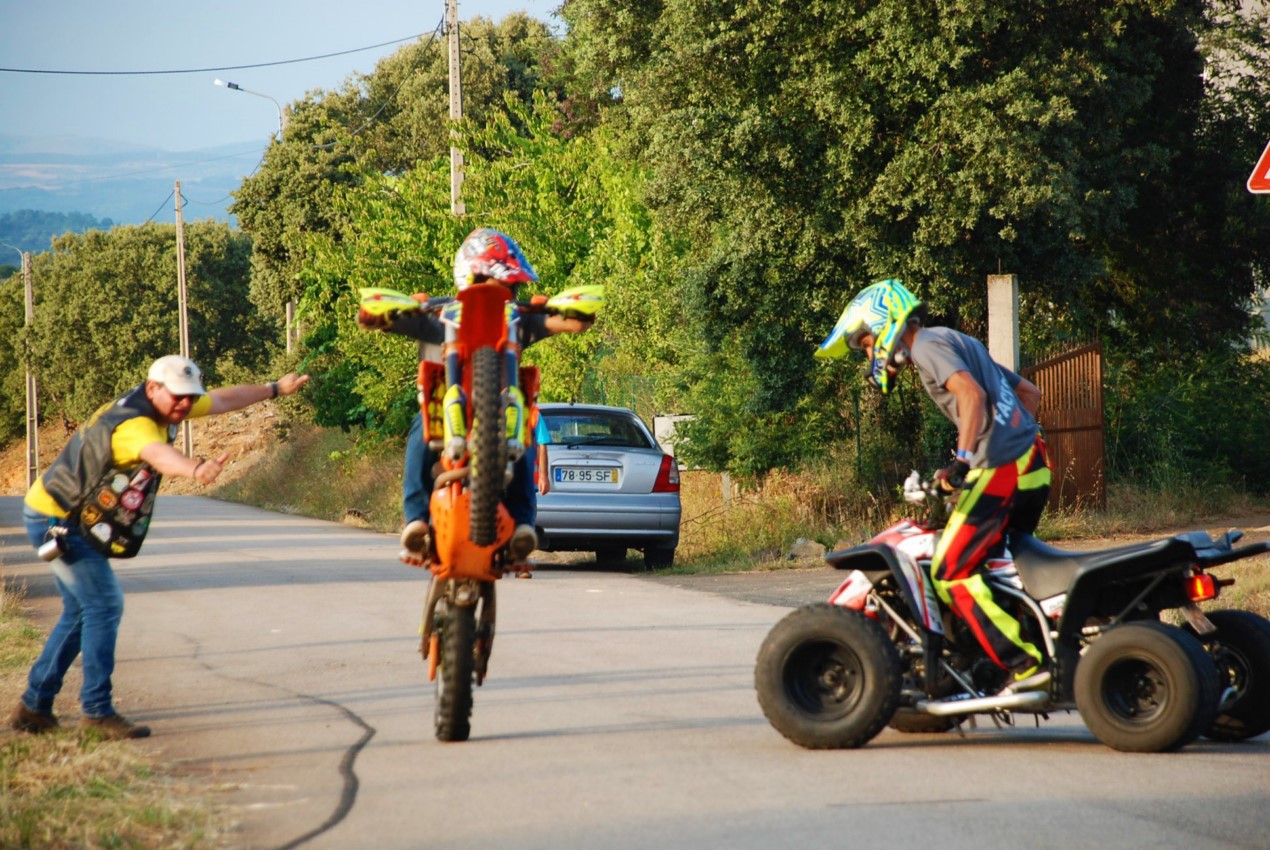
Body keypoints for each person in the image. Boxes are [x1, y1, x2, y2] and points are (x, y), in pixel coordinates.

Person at [9, 355, 310, 739]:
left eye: (189, 397)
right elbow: (157, 454)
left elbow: (220, 400)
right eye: (178, 398)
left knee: (83, 610)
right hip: (60, 519)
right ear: (153, 389)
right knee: (103, 605)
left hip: (62, 511)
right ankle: (96, 714)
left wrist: (273, 389)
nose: (185, 405)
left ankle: (34, 706)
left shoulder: (160, 401)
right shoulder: (135, 425)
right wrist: (196, 469)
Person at [817, 279, 1053, 695]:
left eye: (867, 344)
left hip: (1002, 468)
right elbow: (1027, 394)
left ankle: (1024, 663)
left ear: (887, 324)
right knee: (999, 567)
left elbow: (971, 395)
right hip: (1032, 464)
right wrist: (1018, 442)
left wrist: (964, 461)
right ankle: (997, 652)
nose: (871, 354)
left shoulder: (926, 345)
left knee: (951, 569)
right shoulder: (958, 340)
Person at [358, 229, 594, 566]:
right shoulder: (438, 315)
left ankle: (523, 524)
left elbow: (567, 324)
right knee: (418, 430)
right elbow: (380, 320)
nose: (502, 293)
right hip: (443, 415)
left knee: (526, 437)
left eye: (510, 287)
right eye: (491, 281)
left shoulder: (517, 319)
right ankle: (416, 519)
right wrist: (382, 313)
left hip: (501, 416)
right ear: (468, 278)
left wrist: (574, 313)